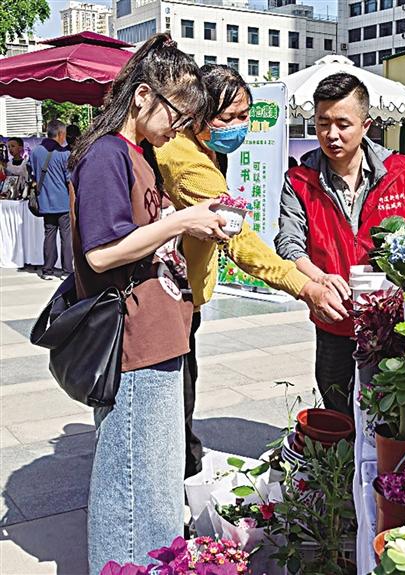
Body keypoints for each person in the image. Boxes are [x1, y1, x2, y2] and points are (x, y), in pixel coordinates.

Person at [67, 33, 228, 574]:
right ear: (141, 97)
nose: (177, 129)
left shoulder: (140, 156)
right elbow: (102, 252)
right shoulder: (106, 154)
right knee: (133, 489)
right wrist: (182, 220)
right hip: (134, 341)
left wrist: (191, 220)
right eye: (176, 115)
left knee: (155, 484)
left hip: (159, 333)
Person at [154, 64, 347, 478]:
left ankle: (181, 468)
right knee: (173, 402)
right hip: (169, 298)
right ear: (198, 112)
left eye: (245, 115)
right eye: (228, 117)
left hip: (183, 291)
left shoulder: (203, 149)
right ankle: (176, 485)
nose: (239, 126)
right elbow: (239, 240)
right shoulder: (186, 161)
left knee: (181, 392)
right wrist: (306, 287)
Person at [275, 72, 405, 417]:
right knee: (338, 406)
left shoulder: (400, 171)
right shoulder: (299, 180)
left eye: (343, 124)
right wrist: (318, 278)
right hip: (333, 316)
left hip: (392, 321)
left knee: (395, 412)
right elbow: (288, 243)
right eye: (323, 123)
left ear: (366, 125)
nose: (331, 134)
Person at [29, 120, 74, 279]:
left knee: (49, 234)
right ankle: (67, 271)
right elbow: (69, 180)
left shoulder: (35, 152)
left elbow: (32, 173)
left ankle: (47, 270)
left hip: (45, 201)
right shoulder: (64, 154)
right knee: (66, 237)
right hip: (63, 202)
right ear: (61, 134)